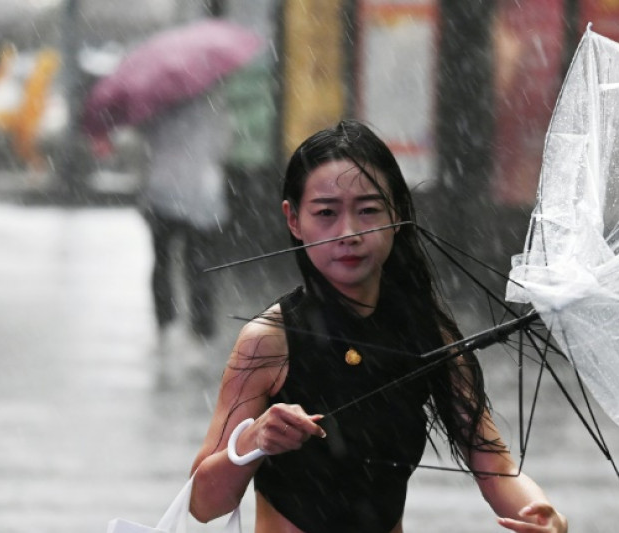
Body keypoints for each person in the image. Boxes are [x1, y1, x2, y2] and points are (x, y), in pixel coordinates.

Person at [187, 120, 568, 532]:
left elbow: (496, 468)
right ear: (293, 219)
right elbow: (202, 504)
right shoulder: (268, 341)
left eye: (368, 211)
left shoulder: (426, 336)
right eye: (326, 213)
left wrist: (544, 515)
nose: (348, 233)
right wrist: (253, 441)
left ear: (397, 214)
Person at [139, 89, 231, 341]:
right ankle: (202, 325)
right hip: (200, 194)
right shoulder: (211, 104)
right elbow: (222, 146)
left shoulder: (156, 103)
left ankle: (165, 321)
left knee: (161, 260)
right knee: (199, 262)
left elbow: (148, 143)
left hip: (162, 190)